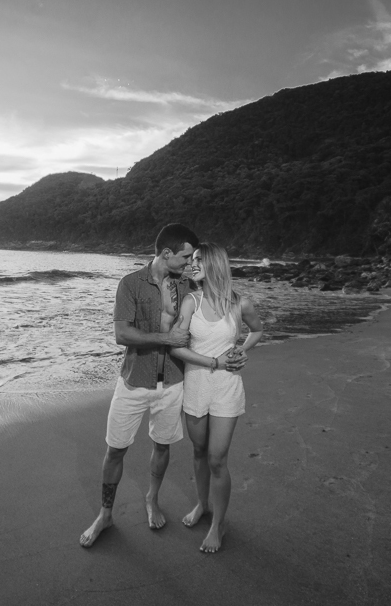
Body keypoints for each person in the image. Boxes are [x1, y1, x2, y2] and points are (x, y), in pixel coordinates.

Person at [79, 224, 246, 548]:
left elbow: (220, 304)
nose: (190, 262)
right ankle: (105, 513)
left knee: (162, 445)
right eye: (185, 256)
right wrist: (165, 338)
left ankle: (152, 499)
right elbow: (122, 334)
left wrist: (237, 346)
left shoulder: (187, 288)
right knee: (115, 450)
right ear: (166, 253)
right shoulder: (131, 284)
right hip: (134, 381)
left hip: (173, 383)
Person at [170, 242, 263, 552]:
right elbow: (176, 347)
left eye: (198, 259)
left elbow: (257, 330)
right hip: (195, 385)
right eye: (191, 258)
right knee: (198, 451)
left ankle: (218, 523)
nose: (192, 263)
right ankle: (202, 504)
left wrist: (241, 349)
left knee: (217, 459)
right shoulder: (190, 303)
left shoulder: (240, 304)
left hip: (226, 388)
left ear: (213, 264)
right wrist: (213, 361)